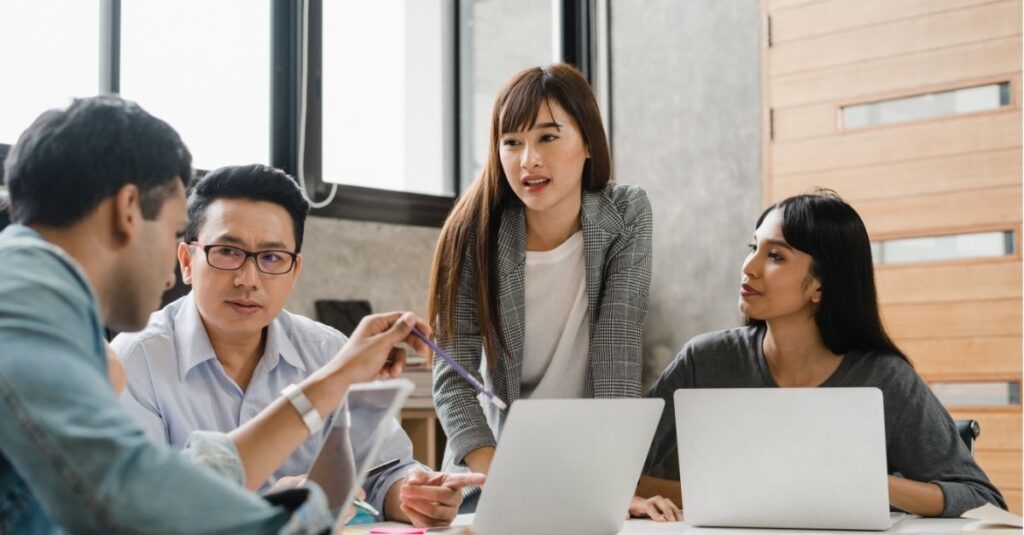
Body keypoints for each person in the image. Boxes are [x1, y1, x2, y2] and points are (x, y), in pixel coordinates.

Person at [0, 95, 430, 533]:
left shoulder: (38, 299)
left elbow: (173, 478)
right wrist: (308, 513)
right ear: (128, 210)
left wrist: (335, 379)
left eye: (271, 258)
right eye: (171, 233)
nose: (170, 278)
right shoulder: (23, 300)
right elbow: (134, 503)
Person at [112, 164, 483, 527]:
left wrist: (414, 495)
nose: (248, 279)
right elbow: (144, 511)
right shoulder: (136, 360)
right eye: (227, 251)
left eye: (272, 258)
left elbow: (384, 473)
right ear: (186, 261)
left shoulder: (328, 350)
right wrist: (278, 504)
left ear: (294, 271)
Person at [641, 189, 1006, 518]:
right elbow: (619, 475)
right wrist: (713, 497)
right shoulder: (705, 361)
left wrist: (866, 484)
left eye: (775, 256)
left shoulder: (884, 379)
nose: (748, 267)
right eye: (753, 248)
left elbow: (981, 498)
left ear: (820, 283)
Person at [428, 63, 674, 520]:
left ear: (586, 143)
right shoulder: (473, 231)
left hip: (585, 471)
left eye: (547, 137)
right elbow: (453, 380)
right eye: (512, 143)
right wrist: (507, 484)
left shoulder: (626, 213)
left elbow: (619, 350)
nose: (528, 160)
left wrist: (613, 487)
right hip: (493, 470)